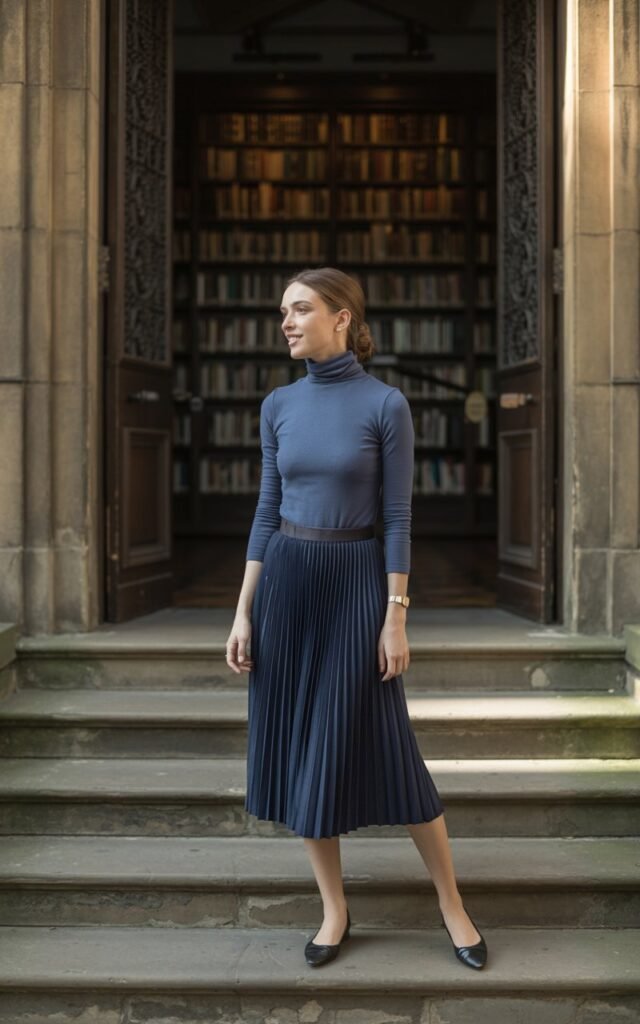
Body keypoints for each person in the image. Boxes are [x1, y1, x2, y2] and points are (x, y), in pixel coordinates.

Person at [225, 266, 487, 971]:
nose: (286, 321)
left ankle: (451, 903)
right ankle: (334, 909)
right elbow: (266, 510)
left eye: (301, 308)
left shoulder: (386, 405)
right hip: (288, 585)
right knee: (303, 751)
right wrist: (244, 611)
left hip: (356, 586)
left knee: (393, 750)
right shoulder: (277, 405)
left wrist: (395, 614)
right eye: (282, 309)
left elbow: (398, 519)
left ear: (342, 317)